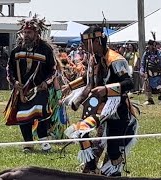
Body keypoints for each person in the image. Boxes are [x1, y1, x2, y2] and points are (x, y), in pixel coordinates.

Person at [61, 26, 139, 177]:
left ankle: (111, 170)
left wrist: (106, 89)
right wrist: (70, 87)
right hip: (101, 109)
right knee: (80, 130)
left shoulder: (116, 59)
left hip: (117, 110)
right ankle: (91, 168)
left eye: (86, 43)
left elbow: (129, 84)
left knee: (113, 150)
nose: (83, 46)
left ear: (97, 41)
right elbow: (87, 79)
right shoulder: (94, 59)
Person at [4, 15, 56, 152]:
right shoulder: (17, 51)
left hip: (39, 88)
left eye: (29, 32)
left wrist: (46, 82)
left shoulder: (45, 50)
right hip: (22, 90)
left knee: (39, 111)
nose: (26, 35)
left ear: (36, 33)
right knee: (23, 115)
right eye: (25, 32)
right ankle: (28, 143)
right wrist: (14, 82)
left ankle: (44, 142)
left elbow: (53, 69)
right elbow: (9, 69)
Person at [140, 32, 161, 105]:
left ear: (154, 46)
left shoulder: (160, 53)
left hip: (159, 73)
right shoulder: (146, 54)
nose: (150, 47)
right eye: (149, 45)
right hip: (149, 74)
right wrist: (142, 71)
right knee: (148, 87)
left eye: (151, 45)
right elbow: (142, 64)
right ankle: (150, 100)